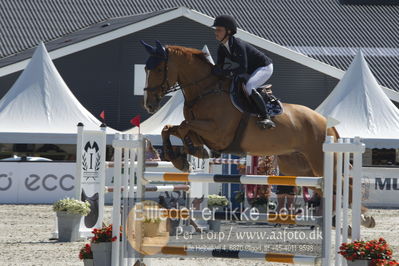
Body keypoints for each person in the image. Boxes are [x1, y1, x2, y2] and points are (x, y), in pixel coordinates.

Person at [212, 15, 275, 129]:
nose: (216, 32)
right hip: (250, 70)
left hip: (264, 67)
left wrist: (224, 71)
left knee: (249, 86)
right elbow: (219, 67)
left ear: (229, 31)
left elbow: (242, 69)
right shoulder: (222, 48)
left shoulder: (238, 45)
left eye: (219, 30)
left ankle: (266, 117)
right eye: (215, 30)